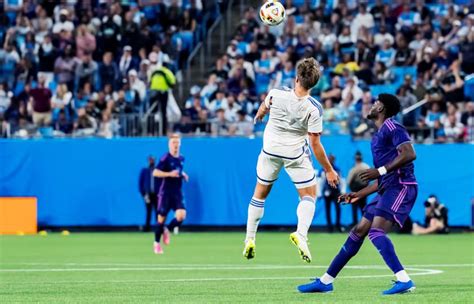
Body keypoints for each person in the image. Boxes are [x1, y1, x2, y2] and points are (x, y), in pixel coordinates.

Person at [298, 93, 418, 295]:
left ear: (381, 108)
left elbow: (409, 153)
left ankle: (404, 280)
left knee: (375, 232)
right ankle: (326, 281)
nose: (372, 105)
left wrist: (379, 171)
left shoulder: (392, 127)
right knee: (359, 230)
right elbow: (381, 180)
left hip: (402, 186)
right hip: (388, 187)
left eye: (376, 102)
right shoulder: (378, 135)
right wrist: (358, 194)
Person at [243, 58, 339, 263]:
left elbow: (264, 106)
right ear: (314, 84)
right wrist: (329, 170)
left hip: (270, 151)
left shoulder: (276, 93)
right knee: (309, 195)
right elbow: (315, 144)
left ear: (296, 78)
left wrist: (260, 115)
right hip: (295, 155)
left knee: (260, 193)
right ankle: (301, 235)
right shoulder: (314, 108)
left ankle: (249, 239)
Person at [152, 134, 189, 254]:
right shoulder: (165, 158)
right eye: (173, 143)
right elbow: (155, 173)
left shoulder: (181, 158)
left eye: (177, 143)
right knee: (161, 219)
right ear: (169, 144)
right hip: (165, 193)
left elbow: (178, 170)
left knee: (181, 215)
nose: (176, 145)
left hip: (177, 192)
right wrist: (169, 174)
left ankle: (167, 229)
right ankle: (156, 243)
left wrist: (183, 174)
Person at [149, 64, 176, 136]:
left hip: (153, 93)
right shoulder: (167, 72)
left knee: (153, 113)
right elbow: (173, 83)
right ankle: (163, 132)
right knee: (163, 113)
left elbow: (149, 81)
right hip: (163, 93)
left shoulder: (155, 71)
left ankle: (151, 131)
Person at [318, 155, 343, 232]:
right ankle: (329, 227)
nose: (331, 161)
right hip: (327, 191)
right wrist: (319, 193)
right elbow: (320, 182)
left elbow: (341, 180)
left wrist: (342, 191)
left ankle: (338, 225)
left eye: (332, 159)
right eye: (329, 159)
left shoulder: (337, 169)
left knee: (338, 209)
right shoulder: (323, 170)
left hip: (336, 191)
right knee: (327, 209)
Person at [346, 151, 370, 226]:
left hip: (355, 190)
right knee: (363, 207)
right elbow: (369, 178)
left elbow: (349, 181)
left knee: (354, 207)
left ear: (355, 159)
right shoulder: (366, 166)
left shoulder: (354, 168)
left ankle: (355, 223)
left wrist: (351, 187)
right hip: (364, 189)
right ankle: (365, 223)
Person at [139, 156, 160, 232]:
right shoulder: (145, 171)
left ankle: (158, 227)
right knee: (148, 211)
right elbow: (141, 184)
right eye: (150, 160)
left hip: (156, 194)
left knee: (158, 211)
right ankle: (147, 228)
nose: (151, 161)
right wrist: (144, 194)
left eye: (153, 160)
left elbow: (161, 183)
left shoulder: (158, 171)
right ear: (148, 161)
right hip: (148, 195)